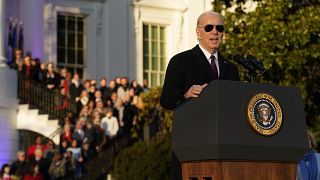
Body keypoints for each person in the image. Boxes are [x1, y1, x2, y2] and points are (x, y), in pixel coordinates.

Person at [160, 11, 239, 110]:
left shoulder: (231, 68)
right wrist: (186, 95)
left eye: (219, 28)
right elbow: (166, 100)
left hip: (224, 124)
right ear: (198, 33)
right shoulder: (180, 61)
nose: (215, 32)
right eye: (209, 28)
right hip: (194, 123)